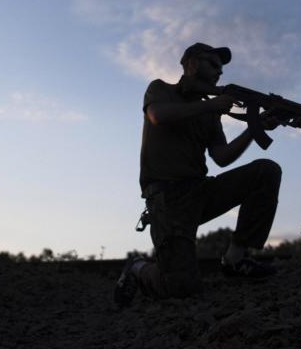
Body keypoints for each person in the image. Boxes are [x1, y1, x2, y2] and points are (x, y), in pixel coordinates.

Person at [114, 42, 282, 307]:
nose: (219, 72)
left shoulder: (211, 112)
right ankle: (137, 268)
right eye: (213, 64)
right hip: (167, 200)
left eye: (222, 68)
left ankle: (236, 259)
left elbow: (222, 157)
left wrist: (255, 127)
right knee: (181, 287)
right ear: (191, 63)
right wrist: (211, 104)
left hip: (200, 191)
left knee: (266, 172)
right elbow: (158, 115)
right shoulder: (161, 89)